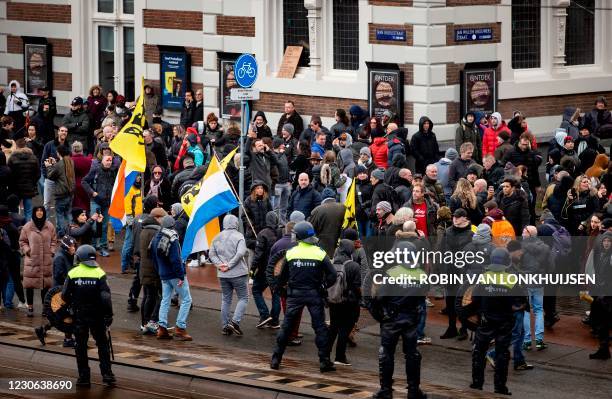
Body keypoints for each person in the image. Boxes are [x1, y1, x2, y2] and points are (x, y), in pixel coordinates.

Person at [270, 221, 337, 372]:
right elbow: (332, 275)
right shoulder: (320, 253)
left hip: (295, 295)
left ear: (298, 236)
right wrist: (324, 286)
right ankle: (324, 362)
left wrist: (281, 289)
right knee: (320, 329)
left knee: (286, 327)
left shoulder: (291, 253)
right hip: (314, 294)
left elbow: (281, 277)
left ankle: (276, 359)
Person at [365, 241, 428, 399]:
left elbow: (380, 298)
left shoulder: (392, 273)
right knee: (412, 354)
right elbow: (422, 297)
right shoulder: (421, 274)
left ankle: (385, 390)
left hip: (392, 319)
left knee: (386, 353)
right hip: (411, 319)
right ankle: (414, 390)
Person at [470, 247, 526, 396]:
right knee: (502, 355)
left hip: (485, 321)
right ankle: (500, 387)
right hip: (504, 323)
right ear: (507, 263)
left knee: (479, 352)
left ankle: (477, 384)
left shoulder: (483, 278)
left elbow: (474, 299)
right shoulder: (512, 280)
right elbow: (521, 302)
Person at [61, 244, 115, 387]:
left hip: (80, 316)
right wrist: (109, 315)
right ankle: (107, 375)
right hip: (97, 316)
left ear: (79, 257)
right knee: (103, 345)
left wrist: (74, 303)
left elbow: (64, 295)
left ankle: (84, 377)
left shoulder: (73, 273)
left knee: (81, 346)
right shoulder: (100, 273)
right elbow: (106, 297)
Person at [152, 215, 193, 340]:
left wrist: (160, 270)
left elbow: (153, 256)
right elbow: (175, 259)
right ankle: (180, 327)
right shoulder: (172, 238)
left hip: (163, 274)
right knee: (187, 299)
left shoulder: (156, 237)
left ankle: (162, 328)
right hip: (174, 274)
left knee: (166, 299)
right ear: (172, 225)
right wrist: (181, 275)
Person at [209, 214, 250, 336]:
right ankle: (235, 321)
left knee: (226, 299)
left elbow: (211, 254)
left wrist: (220, 265)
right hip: (238, 273)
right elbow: (241, 253)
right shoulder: (239, 236)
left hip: (222, 274)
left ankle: (225, 325)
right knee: (243, 297)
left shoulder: (216, 237)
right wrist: (230, 265)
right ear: (236, 223)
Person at [34, 235, 77, 347]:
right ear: (66, 246)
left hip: (64, 291)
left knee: (61, 315)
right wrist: (70, 283)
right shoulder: (60, 258)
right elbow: (59, 275)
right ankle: (68, 340)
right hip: (60, 293)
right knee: (67, 314)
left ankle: (43, 329)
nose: (74, 248)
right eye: (72, 246)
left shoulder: (67, 256)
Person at [439, 208, 474, 340]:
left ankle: (464, 328)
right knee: (450, 301)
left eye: (458, 217)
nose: (455, 218)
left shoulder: (471, 234)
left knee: (464, 302)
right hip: (449, 271)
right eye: (454, 216)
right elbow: (441, 251)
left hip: (464, 273)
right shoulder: (447, 232)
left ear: (465, 218)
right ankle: (452, 327)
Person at [327, 239, 362, 366]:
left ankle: (325, 355)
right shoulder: (354, 266)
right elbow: (358, 286)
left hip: (334, 300)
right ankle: (340, 356)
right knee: (345, 329)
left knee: (333, 327)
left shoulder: (331, 263)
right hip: (349, 302)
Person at [19, 206, 56, 318]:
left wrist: (52, 251)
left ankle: (45, 308)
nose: (39, 213)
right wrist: (27, 250)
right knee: (30, 285)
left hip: (46, 260)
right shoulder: (27, 227)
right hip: (32, 260)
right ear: (34, 212)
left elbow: (54, 240)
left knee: (45, 285)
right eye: (37, 211)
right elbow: (22, 241)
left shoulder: (49, 226)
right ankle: (30, 307)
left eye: (41, 211)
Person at [82, 154, 117, 256]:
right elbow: (84, 181)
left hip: (107, 202)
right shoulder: (95, 170)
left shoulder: (112, 172)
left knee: (105, 225)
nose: (109, 162)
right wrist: (92, 192)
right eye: (107, 160)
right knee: (93, 223)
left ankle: (102, 246)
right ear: (102, 161)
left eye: (110, 160)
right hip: (96, 201)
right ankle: (92, 246)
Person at [251, 211, 281, 329]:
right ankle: (275, 320)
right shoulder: (281, 233)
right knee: (276, 294)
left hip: (265, 269)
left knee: (256, 290)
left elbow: (258, 255)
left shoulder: (263, 234)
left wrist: (252, 269)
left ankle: (264, 314)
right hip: (278, 269)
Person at [7, 135, 39, 221]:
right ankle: (27, 231)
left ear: (17, 146)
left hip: (15, 189)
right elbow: (37, 174)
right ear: (25, 145)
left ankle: (17, 230)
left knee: (14, 211)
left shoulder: (12, 158)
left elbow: (9, 175)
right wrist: (32, 183)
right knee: (28, 211)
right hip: (29, 188)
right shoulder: (33, 158)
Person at [310, 189, 346, 258]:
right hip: (341, 246)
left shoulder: (317, 210)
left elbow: (310, 229)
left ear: (322, 198)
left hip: (323, 247)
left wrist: (311, 238)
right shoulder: (343, 207)